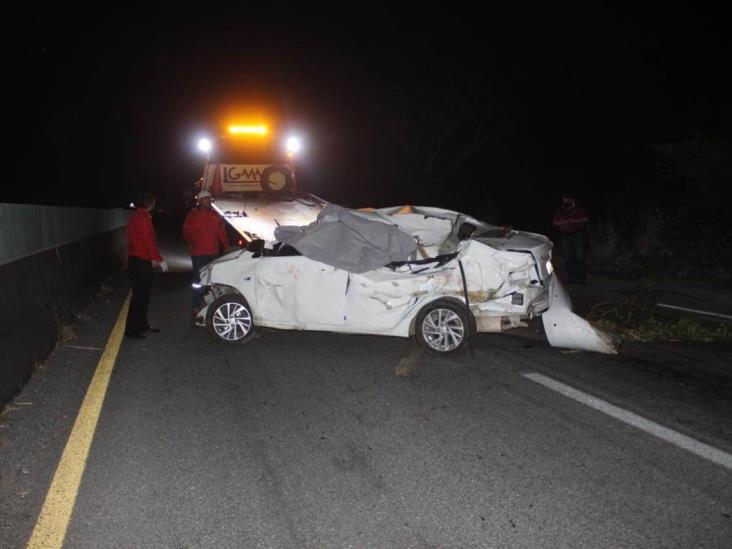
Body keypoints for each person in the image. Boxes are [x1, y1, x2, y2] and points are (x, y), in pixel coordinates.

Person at [125, 192, 167, 339]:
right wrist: (159, 259)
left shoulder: (136, 216)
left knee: (141, 296)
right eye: (153, 202)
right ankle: (132, 330)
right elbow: (148, 241)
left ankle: (141, 325)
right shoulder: (143, 218)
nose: (155, 204)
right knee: (140, 297)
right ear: (149, 203)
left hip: (136, 260)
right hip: (140, 262)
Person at [182, 190, 229, 315]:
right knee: (198, 281)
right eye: (207, 199)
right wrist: (191, 241)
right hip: (198, 254)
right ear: (200, 201)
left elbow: (221, 232)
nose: (209, 201)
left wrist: (225, 246)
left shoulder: (215, 215)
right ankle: (196, 305)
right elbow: (186, 231)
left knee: (213, 280)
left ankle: (212, 304)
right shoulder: (192, 215)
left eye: (210, 199)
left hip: (213, 253)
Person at [553, 195, 589, 285]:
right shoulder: (561, 209)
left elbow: (585, 219)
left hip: (577, 234)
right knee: (568, 257)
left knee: (579, 257)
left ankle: (581, 280)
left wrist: (570, 221)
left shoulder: (579, 208)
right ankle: (571, 279)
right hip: (565, 235)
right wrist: (568, 221)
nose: (565, 201)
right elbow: (556, 222)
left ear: (572, 199)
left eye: (567, 199)